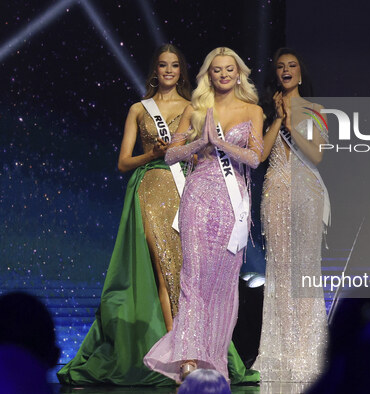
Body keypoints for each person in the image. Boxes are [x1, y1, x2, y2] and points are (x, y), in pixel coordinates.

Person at [58, 44, 191, 386]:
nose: (168, 71)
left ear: (181, 71)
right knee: (163, 267)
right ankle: (176, 355)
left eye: (174, 65)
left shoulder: (193, 108)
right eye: (163, 65)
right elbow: (122, 163)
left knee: (185, 271)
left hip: (184, 192)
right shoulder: (138, 109)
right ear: (155, 70)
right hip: (150, 189)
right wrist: (152, 154)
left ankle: (191, 349)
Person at [144, 47, 264, 384]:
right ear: (207, 75)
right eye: (216, 70)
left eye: (229, 70)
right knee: (193, 280)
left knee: (223, 285)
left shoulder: (252, 110)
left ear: (238, 73)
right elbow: (171, 155)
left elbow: (254, 158)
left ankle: (213, 362)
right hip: (198, 196)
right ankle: (188, 361)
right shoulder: (197, 109)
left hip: (232, 202)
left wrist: (221, 144)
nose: (223, 75)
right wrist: (200, 144)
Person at [252, 47, 328, 382]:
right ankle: (282, 350)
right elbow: (261, 154)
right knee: (280, 270)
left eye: (292, 65)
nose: (286, 70)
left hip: (307, 191)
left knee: (305, 267)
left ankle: (307, 350)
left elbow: (316, 154)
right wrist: (280, 118)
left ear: (300, 72)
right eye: (280, 66)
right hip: (276, 191)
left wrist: (293, 123)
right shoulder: (266, 112)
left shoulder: (316, 110)